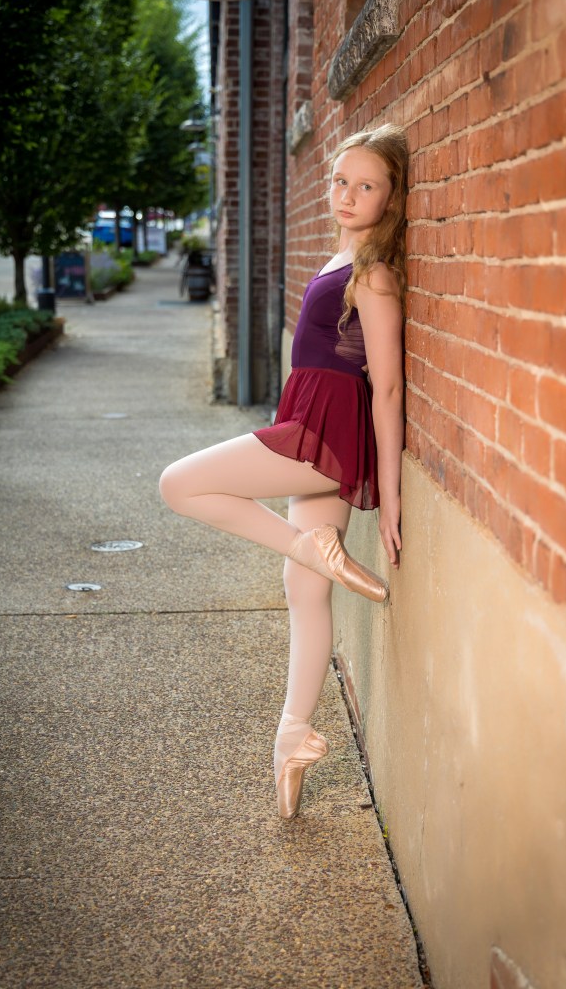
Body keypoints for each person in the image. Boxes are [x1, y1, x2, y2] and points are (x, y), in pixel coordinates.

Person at [160, 122, 408, 820]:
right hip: (312, 419)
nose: (346, 195)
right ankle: (293, 737)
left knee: (179, 483)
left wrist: (390, 498)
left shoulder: (375, 274)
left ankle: (310, 546)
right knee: (304, 589)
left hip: (322, 430)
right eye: (340, 181)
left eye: (366, 186)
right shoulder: (344, 255)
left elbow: (387, 388)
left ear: (391, 198)